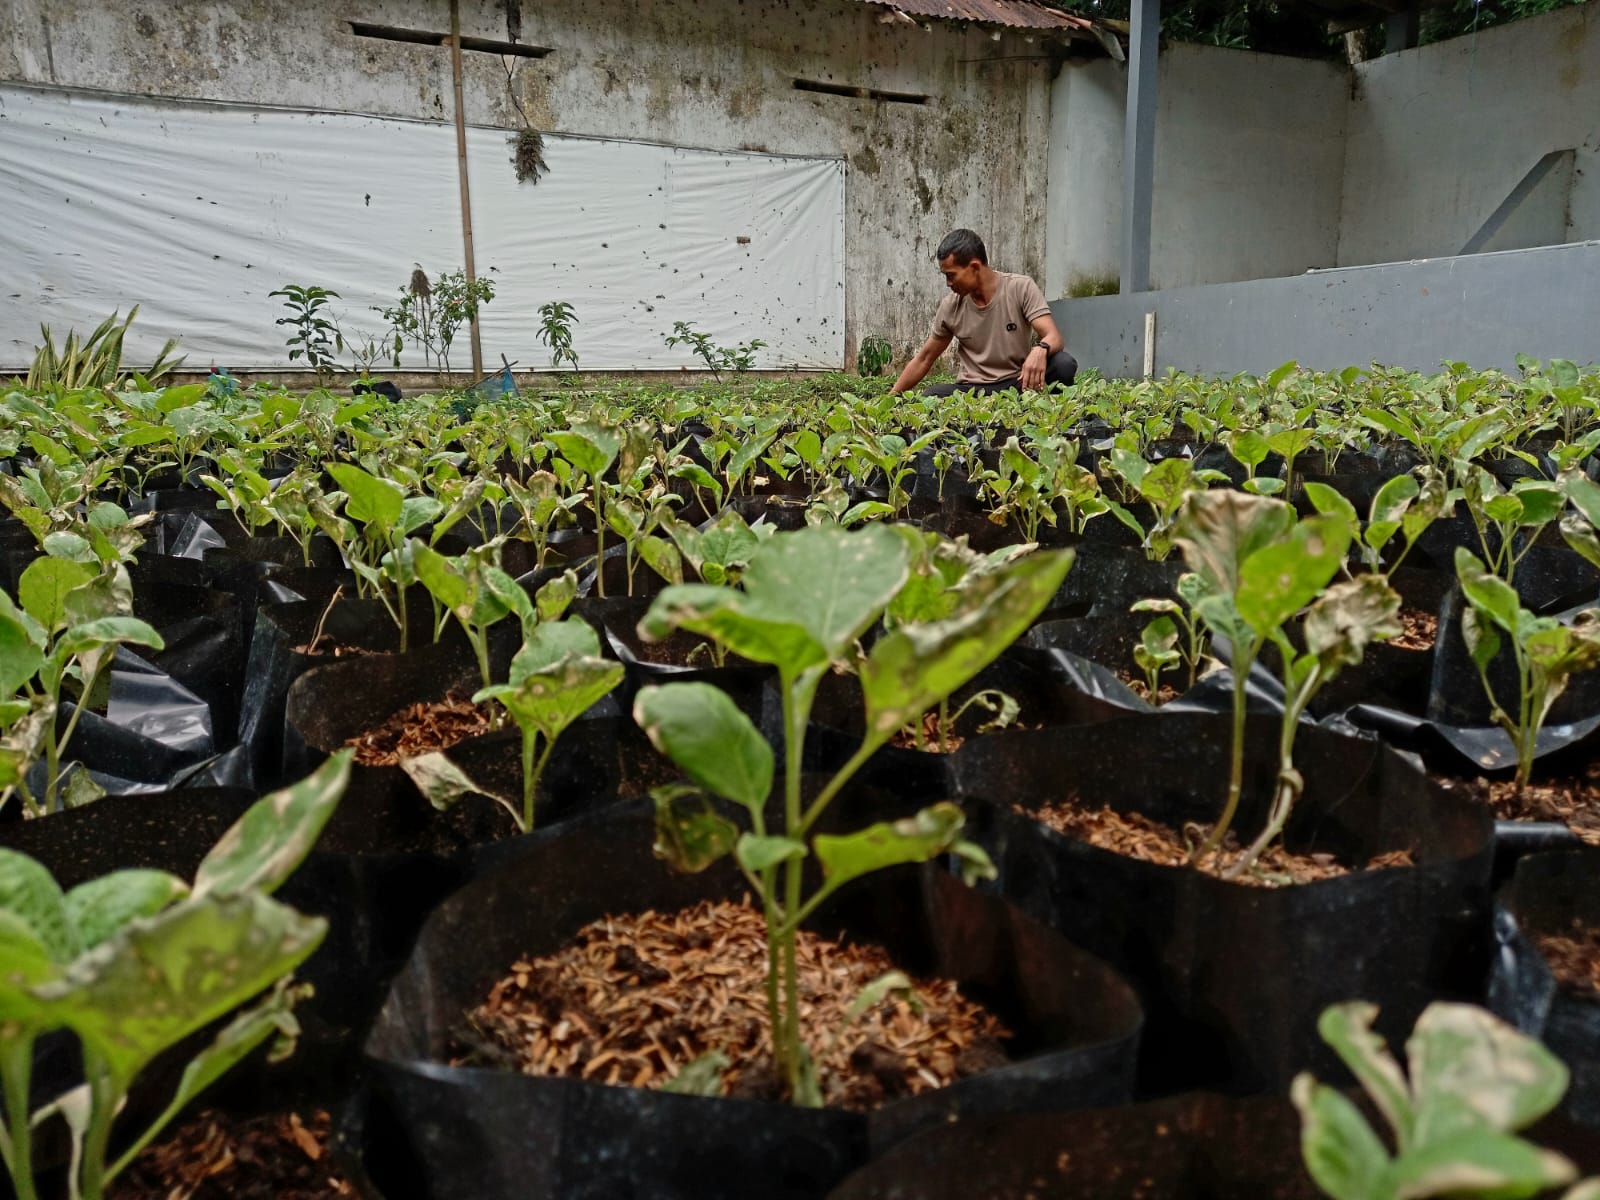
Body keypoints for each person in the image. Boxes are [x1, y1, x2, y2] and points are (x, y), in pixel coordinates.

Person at [889, 229, 1078, 397]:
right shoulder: (951, 306)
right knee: (931, 395)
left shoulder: (1020, 287)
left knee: (1063, 364)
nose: (948, 283)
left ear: (974, 267)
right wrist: (890, 400)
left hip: (1016, 385)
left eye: (951, 275)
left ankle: (1052, 420)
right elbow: (924, 358)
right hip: (972, 391)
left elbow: (1054, 337)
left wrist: (1040, 349)